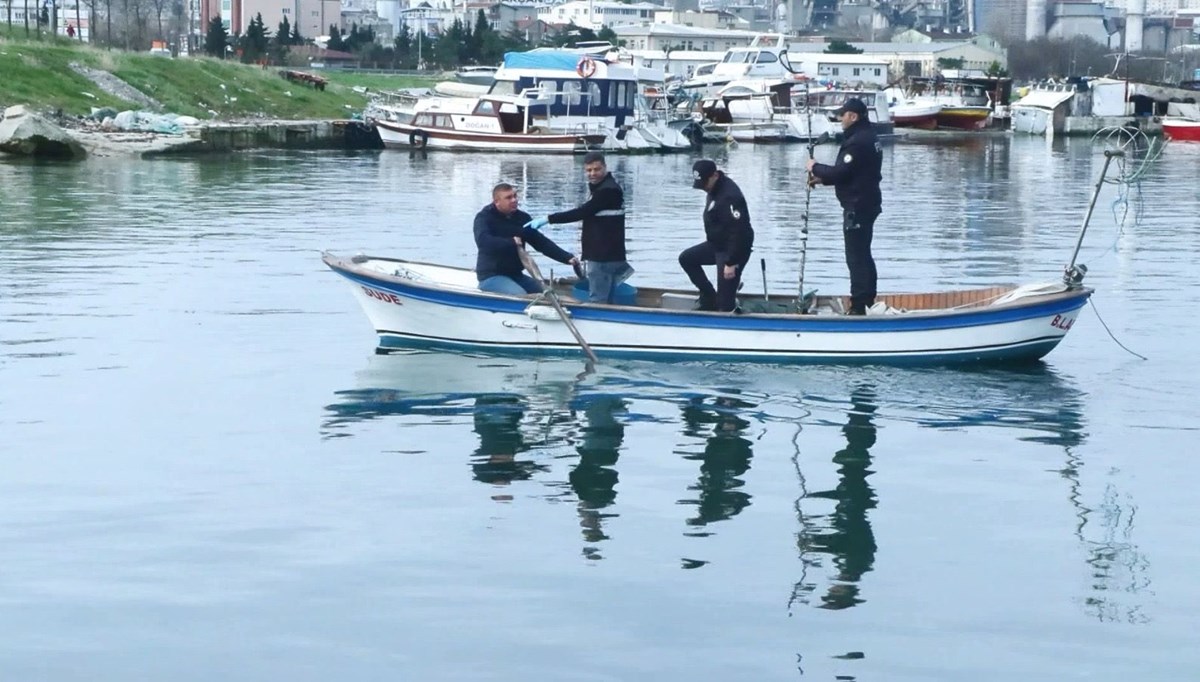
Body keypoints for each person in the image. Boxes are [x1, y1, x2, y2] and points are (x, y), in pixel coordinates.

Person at [806, 97, 882, 316]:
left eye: (843, 115)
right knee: (863, 253)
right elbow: (854, 173)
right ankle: (867, 299)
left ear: (853, 116)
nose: (840, 120)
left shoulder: (858, 141)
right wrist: (822, 179)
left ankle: (859, 305)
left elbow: (842, 171)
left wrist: (815, 167)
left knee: (856, 257)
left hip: (858, 205)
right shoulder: (869, 137)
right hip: (867, 202)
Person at [524, 152, 632, 304]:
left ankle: (597, 322)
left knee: (598, 300)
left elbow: (581, 212)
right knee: (606, 295)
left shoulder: (608, 190)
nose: (592, 174)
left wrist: (548, 219)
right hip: (606, 253)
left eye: (597, 169)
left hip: (603, 256)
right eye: (589, 170)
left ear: (605, 168)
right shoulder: (600, 188)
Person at [474, 183, 579, 296]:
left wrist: (567, 258)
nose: (514, 200)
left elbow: (541, 243)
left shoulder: (522, 218)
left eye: (515, 196)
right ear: (496, 202)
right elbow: (483, 242)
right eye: (508, 198)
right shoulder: (484, 218)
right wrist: (511, 242)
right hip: (491, 276)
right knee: (521, 295)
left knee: (548, 293)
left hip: (515, 274)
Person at [678, 159, 754, 312]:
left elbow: (739, 231)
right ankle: (709, 296)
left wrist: (731, 262)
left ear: (714, 176)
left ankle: (725, 315)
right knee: (687, 258)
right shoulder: (713, 189)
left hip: (733, 250)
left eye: (705, 183)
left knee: (725, 304)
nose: (704, 188)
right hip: (716, 245)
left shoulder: (730, 196)